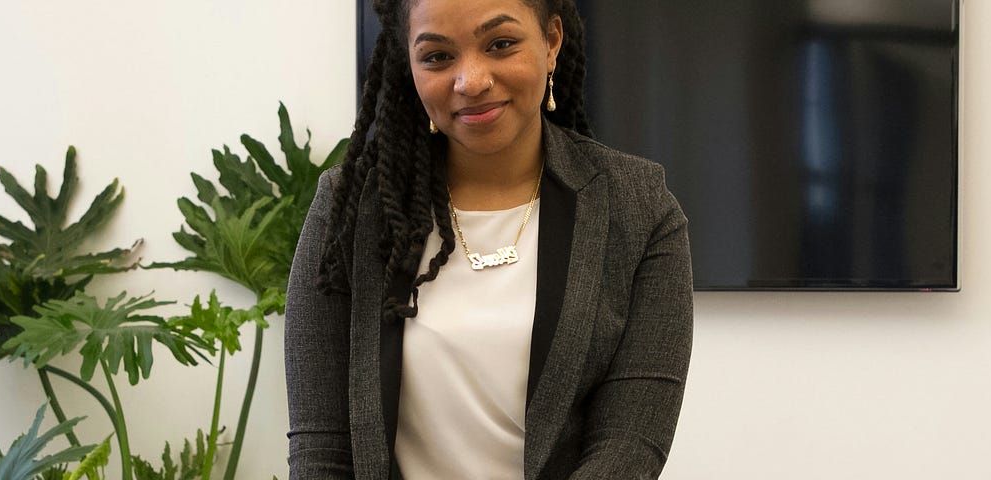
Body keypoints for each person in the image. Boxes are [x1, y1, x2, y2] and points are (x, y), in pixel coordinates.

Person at [284, 0, 693, 478]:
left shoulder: (639, 208)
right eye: (437, 57)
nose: (471, 81)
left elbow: (630, 445)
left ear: (552, 42)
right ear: (409, 66)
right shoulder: (351, 206)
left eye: (500, 44)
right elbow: (320, 450)